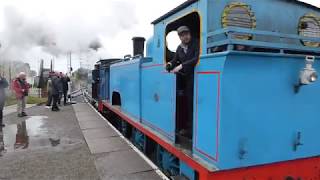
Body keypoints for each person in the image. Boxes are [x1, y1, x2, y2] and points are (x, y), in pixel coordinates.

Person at [166, 26, 200, 137]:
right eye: (182, 35)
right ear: (179, 37)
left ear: (190, 34)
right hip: (187, 80)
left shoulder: (196, 43)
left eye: (186, 34)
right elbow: (175, 59)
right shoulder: (179, 48)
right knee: (188, 103)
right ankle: (190, 128)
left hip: (198, 78)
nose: (185, 36)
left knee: (195, 104)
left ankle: (194, 130)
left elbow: (197, 58)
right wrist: (170, 64)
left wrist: (181, 66)